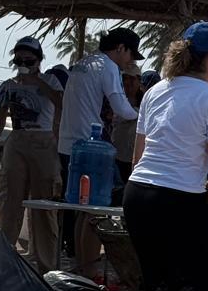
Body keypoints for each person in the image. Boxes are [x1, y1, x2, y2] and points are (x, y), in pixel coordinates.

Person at [124, 21, 208, 291]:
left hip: (138, 195)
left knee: (157, 285)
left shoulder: (155, 91)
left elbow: (138, 157)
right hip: (178, 197)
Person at [58, 26, 145, 277]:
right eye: (130, 55)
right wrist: (143, 116)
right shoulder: (107, 66)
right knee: (97, 212)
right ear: (120, 48)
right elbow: (121, 107)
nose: (129, 62)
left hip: (68, 145)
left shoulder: (82, 63)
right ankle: (92, 271)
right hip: (90, 148)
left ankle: (83, 268)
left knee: (82, 211)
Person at [0, 36, 64, 272]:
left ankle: (46, 265)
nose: (23, 63)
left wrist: (35, 80)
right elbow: (0, 121)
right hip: (18, 141)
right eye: (19, 59)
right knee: (10, 201)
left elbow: (61, 105)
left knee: (43, 205)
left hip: (44, 142)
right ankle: (5, 260)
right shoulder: (9, 85)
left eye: (29, 59)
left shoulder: (51, 80)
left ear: (39, 60)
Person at [111, 62, 143, 185]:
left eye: (132, 78)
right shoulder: (116, 98)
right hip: (116, 155)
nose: (128, 82)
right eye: (125, 78)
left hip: (134, 158)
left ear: (139, 81)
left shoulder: (144, 101)